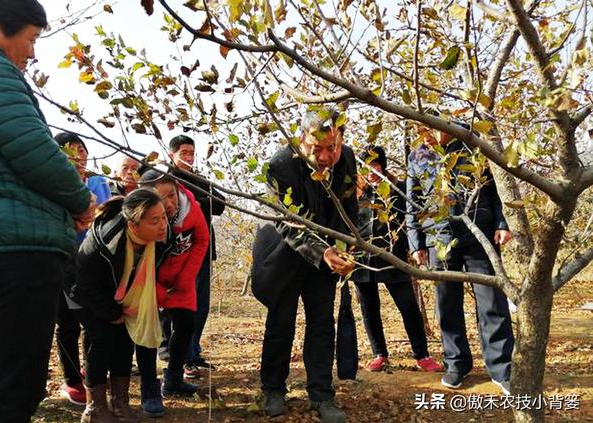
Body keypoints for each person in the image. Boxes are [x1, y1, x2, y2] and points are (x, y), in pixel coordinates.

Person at [0, 2, 96, 422]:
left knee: (11, 380)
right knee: (19, 385)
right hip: (13, 246)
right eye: (31, 38)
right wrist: (80, 199)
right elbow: (37, 154)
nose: (32, 53)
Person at [251, 109, 358, 423]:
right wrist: (324, 252)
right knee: (281, 323)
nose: (325, 157)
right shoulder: (279, 166)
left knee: (323, 324)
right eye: (317, 149)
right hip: (284, 253)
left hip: (325, 257)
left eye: (332, 148)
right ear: (301, 141)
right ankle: (272, 390)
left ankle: (322, 395)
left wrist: (347, 245)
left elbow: (349, 206)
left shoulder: (347, 159)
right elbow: (288, 223)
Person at [406, 125, 514, 395]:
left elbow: (494, 190)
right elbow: (412, 202)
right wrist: (415, 242)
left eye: (432, 129)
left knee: (492, 302)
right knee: (447, 304)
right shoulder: (417, 156)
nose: (429, 135)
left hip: (480, 233)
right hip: (438, 240)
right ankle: (456, 363)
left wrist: (502, 222)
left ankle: (502, 367)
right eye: (423, 131)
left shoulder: (473, 146)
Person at [68, 189, 169, 423]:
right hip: (83, 291)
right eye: (155, 221)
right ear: (134, 226)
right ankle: (95, 410)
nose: (163, 225)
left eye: (163, 217)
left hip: (121, 295)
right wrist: (112, 313)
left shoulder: (158, 237)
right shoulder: (106, 241)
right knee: (101, 340)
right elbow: (84, 287)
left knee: (124, 340)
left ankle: (120, 403)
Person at [354, 146, 443, 373]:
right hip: (362, 260)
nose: (371, 172)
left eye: (375, 166)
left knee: (408, 306)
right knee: (369, 308)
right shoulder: (354, 194)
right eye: (366, 167)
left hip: (393, 257)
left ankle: (422, 355)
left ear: (383, 166)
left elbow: (413, 220)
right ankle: (379, 354)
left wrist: (415, 246)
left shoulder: (398, 190)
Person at [136, 169, 209, 417]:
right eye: (160, 197)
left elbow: (201, 239)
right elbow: (137, 264)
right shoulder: (141, 219)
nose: (168, 203)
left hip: (181, 278)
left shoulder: (191, 207)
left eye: (171, 195)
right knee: (148, 332)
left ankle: (174, 379)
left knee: (186, 324)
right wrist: (158, 290)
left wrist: (187, 277)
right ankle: (150, 389)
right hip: (148, 282)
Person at [54, 132, 112, 405]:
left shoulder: (100, 181)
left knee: (93, 318)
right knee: (66, 322)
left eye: (81, 149)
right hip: (63, 258)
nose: (78, 155)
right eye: (70, 151)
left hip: (95, 261)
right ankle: (71, 379)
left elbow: (106, 215)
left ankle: (92, 372)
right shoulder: (55, 183)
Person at [164, 135, 226, 378]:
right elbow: (176, 207)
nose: (189, 157)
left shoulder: (200, 180)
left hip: (203, 248)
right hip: (179, 251)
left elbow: (220, 204)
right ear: (172, 155)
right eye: (184, 153)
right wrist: (199, 203)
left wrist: (197, 202)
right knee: (181, 307)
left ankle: (193, 350)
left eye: (192, 153)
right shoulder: (167, 181)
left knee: (201, 305)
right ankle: (179, 355)